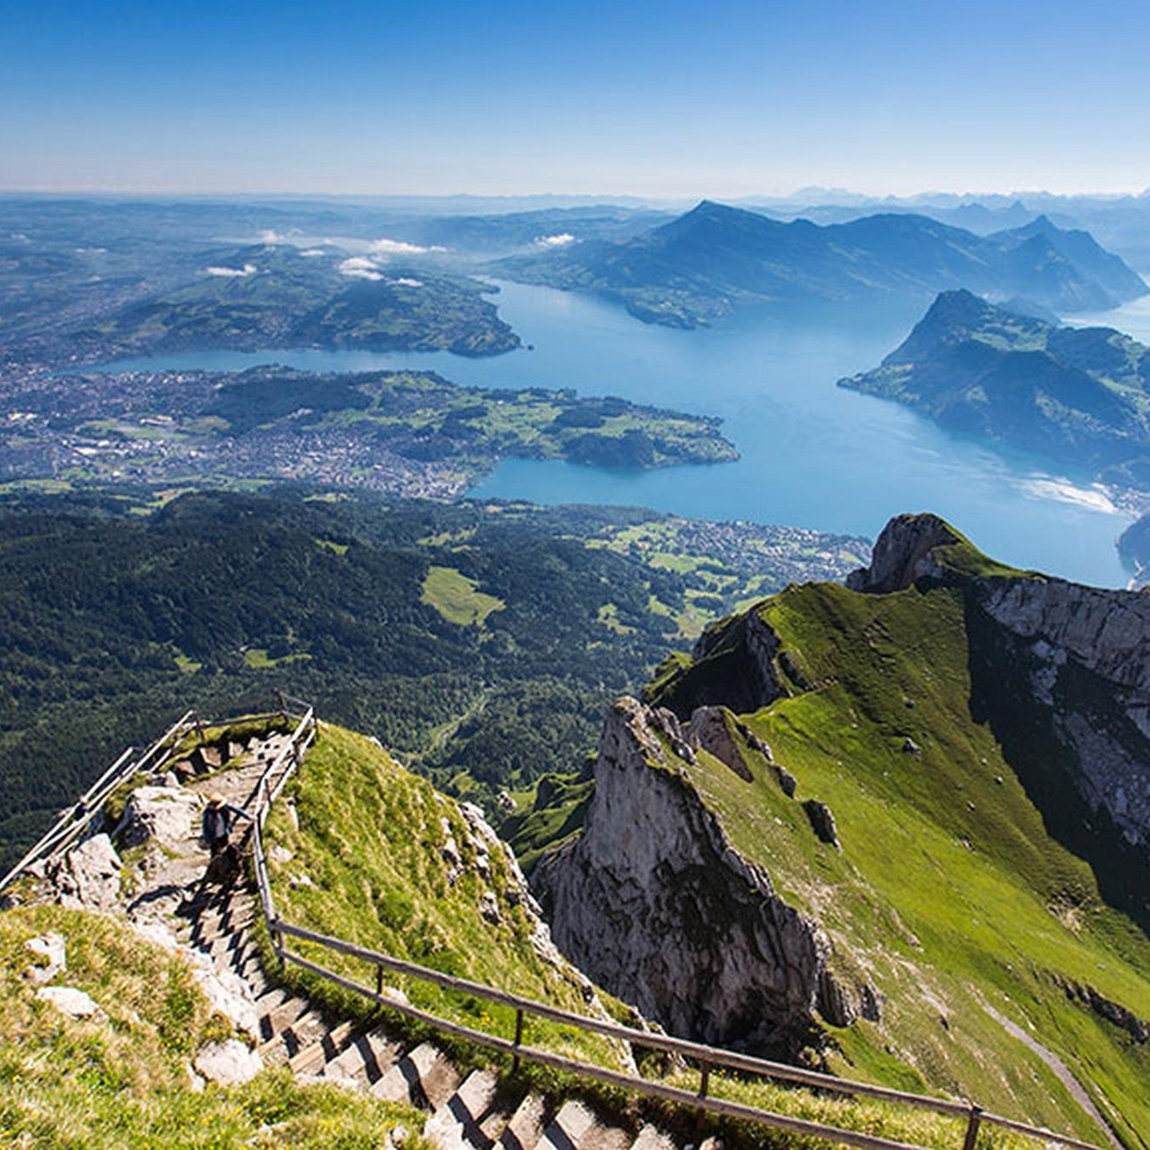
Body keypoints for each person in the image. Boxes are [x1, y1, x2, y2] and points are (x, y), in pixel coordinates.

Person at [201, 792, 251, 857]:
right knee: (215, 852)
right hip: (213, 836)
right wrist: (207, 838)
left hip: (223, 832)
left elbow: (237, 810)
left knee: (225, 849)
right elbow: (205, 826)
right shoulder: (208, 812)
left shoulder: (224, 807)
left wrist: (248, 816)